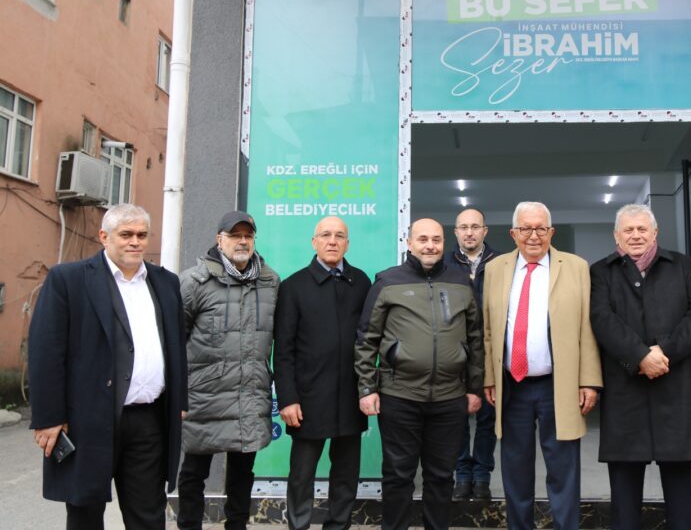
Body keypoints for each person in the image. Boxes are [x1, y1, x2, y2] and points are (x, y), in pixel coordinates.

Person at [28, 204, 187, 530]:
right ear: (104, 236)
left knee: (148, 514)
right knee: (85, 514)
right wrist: (48, 417)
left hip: (148, 421)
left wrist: (179, 401)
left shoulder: (165, 282)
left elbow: (175, 347)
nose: (135, 242)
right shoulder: (69, 279)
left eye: (142, 235)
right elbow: (46, 351)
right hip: (87, 419)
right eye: (126, 234)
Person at [590, 204, 691, 530]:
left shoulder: (683, 266)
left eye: (642, 229)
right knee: (624, 491)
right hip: (626, 391)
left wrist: (664, 351)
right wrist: (640, 356)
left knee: (681, 489)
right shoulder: (600, 272)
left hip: (678, 389)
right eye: (628, 230)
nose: (635, 235)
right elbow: (601, 320)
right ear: (616, 235)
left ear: (655, 232)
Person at [355, 218, 484, 530]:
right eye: (423, 239)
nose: (430, 246)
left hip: (449, 398)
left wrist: (474, 388)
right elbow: (366, 338)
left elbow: (476, 338)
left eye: (436, 240)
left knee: (441, 476)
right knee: (398, 475)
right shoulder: (387, 281)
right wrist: (367, 388)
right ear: (409, 242)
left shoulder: (460, 282)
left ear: (443, 243)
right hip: (399, 396)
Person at [482, 201, 602, 530]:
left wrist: (588, 380)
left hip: (558, 385)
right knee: (515, 468)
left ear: (551, 232)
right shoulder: (495, 269)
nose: (533, 236)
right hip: (513, 386)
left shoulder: (575, 267)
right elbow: (488, 329)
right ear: (513, 233)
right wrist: (489, 377)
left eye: (540, 228)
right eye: (525, 228)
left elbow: (587, 328)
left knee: (563, 468)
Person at [176, 211, 280, 530]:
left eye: (248, 235)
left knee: (242, 473)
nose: (243, 241)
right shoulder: (194, 281)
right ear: (219, 240)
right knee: (194, 472)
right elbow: (174, 341)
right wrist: (177, 393)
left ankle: (237, 525)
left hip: (249, 392)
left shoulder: (270, 282)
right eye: (235, 235)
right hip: (203, 395)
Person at [274, 216, 372, 530]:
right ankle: (298, 525)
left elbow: (370, 340)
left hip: (350, 397)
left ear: (347, 244)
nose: (332, 241)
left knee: (346, 475)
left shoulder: (361, 282)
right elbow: (283, 350)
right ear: (314, 242)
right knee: (301, 476)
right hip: (307, 400)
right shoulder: (293, 286)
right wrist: (288, 398)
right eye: (326, 235)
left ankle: (338, 525)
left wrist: (368, 389)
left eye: (339, 236)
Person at [445, 208, 499, 501]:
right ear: (456, 232)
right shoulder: (444, 265)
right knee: (458, 417)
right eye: (463, 227)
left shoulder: (501, 263)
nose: (469, 232)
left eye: (475, 227)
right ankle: (462, 475)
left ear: (484, 231)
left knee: (488, 418)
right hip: (455, 351)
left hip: (491, 352)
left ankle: (482, 477)